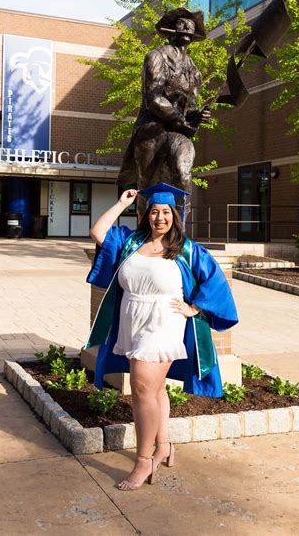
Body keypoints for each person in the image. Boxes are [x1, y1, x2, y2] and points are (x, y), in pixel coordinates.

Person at [85, 182, 238, 492]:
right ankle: (164, 445)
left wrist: (195, 308)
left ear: (174, 216)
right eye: (154, 212)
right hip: (132, 321)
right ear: (146, 215)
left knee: (141, 386)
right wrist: (121, 204)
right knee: (154, 390)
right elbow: (98, 231)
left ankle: (144, 460)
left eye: (166, 212)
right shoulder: (129, 242)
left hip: (164, 321)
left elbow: (216, 281)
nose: (159, 218)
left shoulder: (186, 250)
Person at [116, 8, 211, 219]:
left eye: (190, 24)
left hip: (178, 133)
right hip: (152, 130)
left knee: (183, 171)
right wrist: (180, 120)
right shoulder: (155, 57)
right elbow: (154, 99)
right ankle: (142, 233)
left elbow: (191, 107)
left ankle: (180, 233)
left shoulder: (194, 71)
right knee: (147, 186)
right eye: (181, 23)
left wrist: (197, 116)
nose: (186, 26)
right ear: (170, 30)